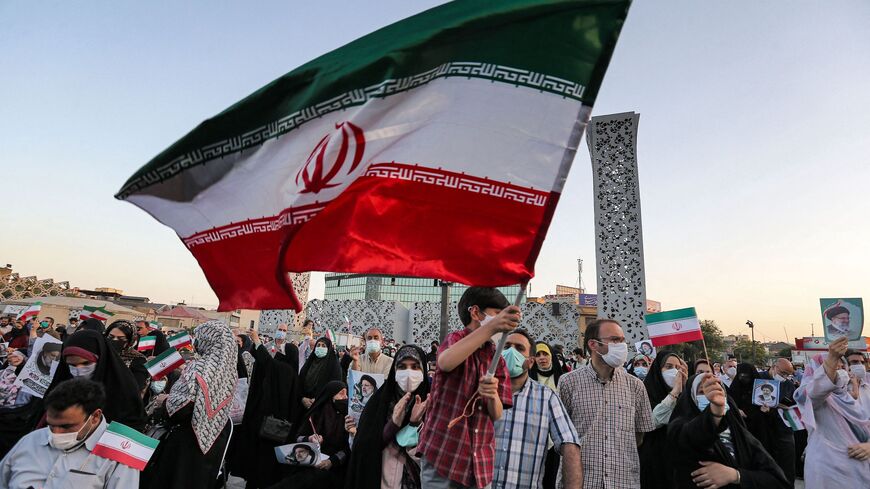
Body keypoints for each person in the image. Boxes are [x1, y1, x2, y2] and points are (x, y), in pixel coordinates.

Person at [417, 287, 517, 489]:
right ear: (475, 312)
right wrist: (491, 327)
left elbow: (497, 413)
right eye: (497, 314)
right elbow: (445, 362)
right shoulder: (455, 339)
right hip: (443, 456)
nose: (500, 322)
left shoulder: (497, 358)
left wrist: (492, 395)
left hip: (479, 464)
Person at [558, 318, 655, 489]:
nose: (622, 345)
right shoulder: (568, 382)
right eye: (615, 340)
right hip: (582, 482)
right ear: (594, 345)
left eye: (622, 340)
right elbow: (561, 436)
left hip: (623, 481)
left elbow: (639, 436)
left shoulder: (636, 386)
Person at [140, 320, 238, 489]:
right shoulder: (230, 371)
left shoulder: (198, 367)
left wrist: (165, 401)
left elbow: (181, 409)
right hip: (213, 441)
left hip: (186, 443)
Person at [0, 378, 139, 488]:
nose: (56, 433)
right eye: (51, 425)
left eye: (66, 426)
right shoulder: (30, 441)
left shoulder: (122, 452)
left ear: (95, 417)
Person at [492, 329, 581, 489]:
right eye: (506, 347)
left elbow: (569, 443)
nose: (511, 352)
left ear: (530, 361)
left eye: (519, 348)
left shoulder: (547, 398)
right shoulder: (479, 390)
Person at [668, 373, 790, 489]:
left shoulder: (739, 434)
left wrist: (736, 476)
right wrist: (715, 412)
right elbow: (694, 436)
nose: (709, 397)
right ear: (691, 396)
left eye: (717, 392)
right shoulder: (678, 428)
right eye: (702, 392)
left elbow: (777, 480)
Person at [345, 344, 430, 488]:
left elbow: (433, 463)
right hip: (380, 481)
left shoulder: (432, 403)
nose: (408, 373)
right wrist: (392, 426)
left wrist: (414, 425)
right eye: (402, 367)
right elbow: (361, 451)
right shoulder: (378, 403)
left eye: (415, 367)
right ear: (394, 371)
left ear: (424, 371)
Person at [794, 337, 870, 486]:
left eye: (842, 367)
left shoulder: (849, 397)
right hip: (829, 472)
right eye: (834, 367)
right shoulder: (814, 398)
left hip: (860, 472)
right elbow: (816, 390)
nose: (839, 370)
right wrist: (832, 359)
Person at [230, 328, 301, 488]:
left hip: (273, 426)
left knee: (264, 462)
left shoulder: (286, 370)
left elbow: (268, 363)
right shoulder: (286, 371)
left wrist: (257, 340)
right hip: (270, 423)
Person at [43, 329, 146, 430]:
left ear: (101, 360)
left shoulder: (124, 390)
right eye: (72, 365)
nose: (79, 370)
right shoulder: (60, 388)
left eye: (86, 363)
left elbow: (133, 427)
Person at [267, 381, 351, 489]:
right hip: (308, 461)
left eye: (346, 393)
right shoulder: (316, 414)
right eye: (341, 394)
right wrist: (310, 438)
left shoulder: (347, 418)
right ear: (330, 396)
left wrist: (331, 461)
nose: (346, 397)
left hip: (334, 468)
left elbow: (348, 447)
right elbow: (298, 437)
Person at [639, 351, 688, 488]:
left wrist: (685, 389)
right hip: (654, 460)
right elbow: (651, 422)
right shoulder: (645, 392)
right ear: (658, 369)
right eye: (669, 367)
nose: (674, 371)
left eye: (678, 368)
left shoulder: (684, 394)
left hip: (678, 461)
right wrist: (674, 393)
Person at [527, 340, 566, 488]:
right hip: (534, 437)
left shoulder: (562, 379)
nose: (542, 358)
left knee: (554, 477)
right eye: (538, 355)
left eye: (545, 354)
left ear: (551, 356)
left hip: (557, 439)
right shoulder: (528, 379)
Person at [105, 319, 149, 393]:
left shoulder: (138, 360)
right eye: (111, 337)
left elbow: (135, 389)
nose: (115, 340)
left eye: (121, 339)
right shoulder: (101, 353)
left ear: (130, 341)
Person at [298, 336, 342, 409]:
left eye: (323, 346)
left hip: (322, 407)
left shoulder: (334, 366)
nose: (320, 347)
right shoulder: (309, 362)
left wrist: (318, 400)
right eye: (318, 345)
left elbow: (334, 388)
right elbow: (299, 382)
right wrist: (302, 398)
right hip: (303, 404)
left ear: (329, 349)